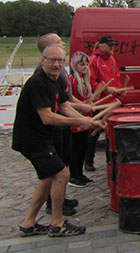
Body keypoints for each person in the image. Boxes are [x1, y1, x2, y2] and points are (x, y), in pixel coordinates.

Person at [12, 45, 101, 237]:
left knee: (48, 178)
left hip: (42, 137)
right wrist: (79, 121)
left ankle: (28, 224)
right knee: (62, 175)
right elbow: (47, 117)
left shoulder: (57, 80)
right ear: (42, 60)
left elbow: (64, 106)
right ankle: (57, 223)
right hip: (31, 139)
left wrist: (86, 115)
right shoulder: (38, 83)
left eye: (60, 60)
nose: (56, 64)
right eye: (52, 60)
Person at [35, 33, 92, 216]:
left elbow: (66, 100)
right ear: (49, 49)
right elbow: (58, 106)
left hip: (61, 127)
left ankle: (60, 197)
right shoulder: (44, 74)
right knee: (57, 170)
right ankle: (53, 205)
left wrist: (82, 110)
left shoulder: (60, 71)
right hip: (52, 128)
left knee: (64, 165)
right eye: (59, 41)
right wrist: (80, 118)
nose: (64, 43)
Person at [86, 35, 122, 171]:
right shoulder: (94, 60)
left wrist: (119, 90)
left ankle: (110, 159)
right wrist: (106, 88)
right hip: (99, 103)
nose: (112, 47)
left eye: (113, 45)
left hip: (111, 102)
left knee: (110, 132)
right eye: (109, 45)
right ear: (101, 45)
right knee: (95, 132)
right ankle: (88, 161)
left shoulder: (112, 59)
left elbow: (117, 77)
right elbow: (90, 82)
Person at [68, 52, 94, 188]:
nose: (85, 67)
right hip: (75, 118)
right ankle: (73, 175)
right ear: (75, 65)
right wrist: (82, 105)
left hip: (84, 118)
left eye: (87, 64)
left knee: (84, 146)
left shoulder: (84, 80)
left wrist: (90, 101)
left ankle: (79, 173)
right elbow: (69, 97)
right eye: (82, 64)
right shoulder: (71, 78)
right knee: (76, 148)